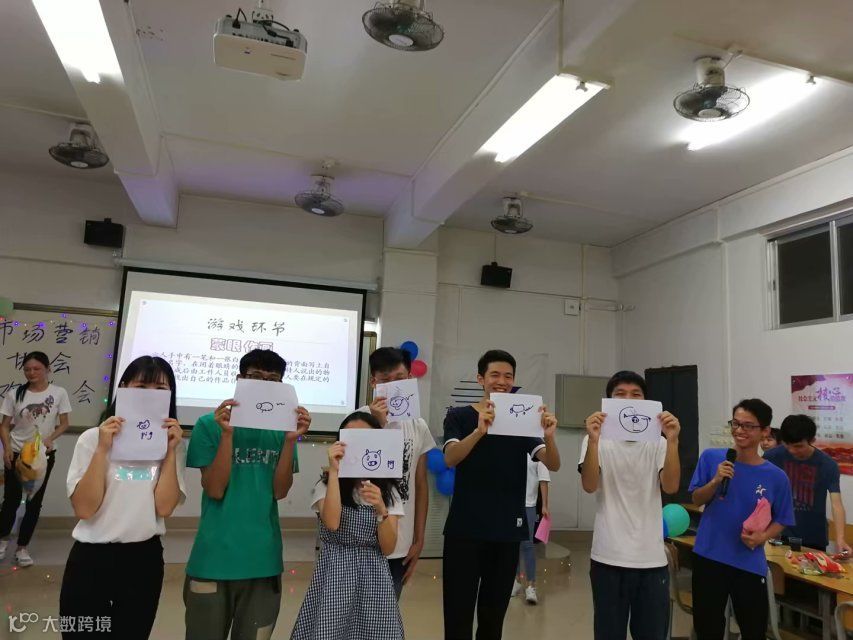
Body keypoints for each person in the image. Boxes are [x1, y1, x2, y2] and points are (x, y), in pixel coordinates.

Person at [184, 349, 310, 640]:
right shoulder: (209, 425)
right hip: (213, 558)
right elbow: (215, 489)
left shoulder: (282, 431)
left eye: (273, 379)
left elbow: (280, 491)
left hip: (263, 560)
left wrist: (290, 440)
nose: (264, 384)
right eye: (255, 377)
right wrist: (228, 434)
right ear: (240, 379)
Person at [59, 356, 186, 640]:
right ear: (124, 388)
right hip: (91, 557)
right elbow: (84, 508)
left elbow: (164, 507)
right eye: (141, 387)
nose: (150, 396)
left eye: (160, 389)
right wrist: (103, 449)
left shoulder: (172, 445)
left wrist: (170, 453)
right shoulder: (92, 438)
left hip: (143, 559)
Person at [442, 349, 561, 640]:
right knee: (457, 614)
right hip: (465, 529)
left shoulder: (521, 419)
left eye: (508, 376)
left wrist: (549, 436)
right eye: (494, 374)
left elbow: (552, 463)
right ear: (480, 378)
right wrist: (479, 431)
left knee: (493, 618)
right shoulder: (459, 416)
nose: (502, 381)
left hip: (507, 530)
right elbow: (450, 458)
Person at [579, 370, 681, 640]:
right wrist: (593, 440)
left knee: (652, 634)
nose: (628, 400)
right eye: (620, 394)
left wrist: (672, 440)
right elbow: (589, 484)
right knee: (608, 633)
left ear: (646, 402)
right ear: (609, 401)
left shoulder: (659, 443)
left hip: (651, 559)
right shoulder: (596, 441)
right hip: (607, 557)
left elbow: (671, 486)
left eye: (636, 395)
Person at [291, 411, 404, 640]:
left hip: (374, 578)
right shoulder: (326, 485)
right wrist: (334, 471)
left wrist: (381, 509)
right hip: (335, 573)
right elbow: (332, 523)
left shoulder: (389, 491)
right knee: (329, 630)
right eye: (351, 439)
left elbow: (388, 547)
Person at [689, 399, 795, 640]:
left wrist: (763, 536)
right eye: (735, 424)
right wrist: (715, 481)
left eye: (748, 426)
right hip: (709, 556)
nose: (739, 430)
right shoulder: (711, 458)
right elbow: (696, 499)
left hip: (748, 562)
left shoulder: (776, 477)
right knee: (707, 629)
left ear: (765, 431)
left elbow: (783, 518)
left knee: (753, 630)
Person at [363, 346, 436, 598]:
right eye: (385, 381)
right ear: (374, 382)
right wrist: (378, 424)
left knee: (388, 612)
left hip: (401, 542)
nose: (393, 386)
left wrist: (419, 538)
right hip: (363, 540)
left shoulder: (418, 425)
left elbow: (420, 483)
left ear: (410, 378)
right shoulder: (358, 420)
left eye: (400, 379)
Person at [0, 351, 71, 567]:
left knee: (33, 502)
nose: (31, 373)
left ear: (48, 369)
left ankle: (22, 548)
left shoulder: (58, 393)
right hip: (17, 452)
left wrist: (51, 438)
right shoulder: (15, 394)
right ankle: (2, 541)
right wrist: (6, 449)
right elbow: (4, 426)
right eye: (27, 369)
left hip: (42, 456)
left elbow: (65, 424)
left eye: (36, 369)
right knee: (11, 500)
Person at [763, 414, 851, 553]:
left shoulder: (827, 465)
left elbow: (837, 504)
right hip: (778, 534)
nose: (792, 450)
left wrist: (840, 539)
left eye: (798, 446)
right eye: (787, 445)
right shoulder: (772, 457)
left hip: (813, 538)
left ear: (812, 440)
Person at [511, 453, 550, 604]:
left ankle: (531, 585)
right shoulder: (514, 448)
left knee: (527, 545)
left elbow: (543, 480)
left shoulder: (538, 452)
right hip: (512, 504)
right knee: (513, 544)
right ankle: (515, 581)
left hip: (529, 505)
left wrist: (545, 505)